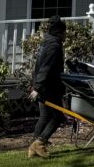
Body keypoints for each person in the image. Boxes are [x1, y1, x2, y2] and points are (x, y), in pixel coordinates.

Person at [28, 15, 66, 159]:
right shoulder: (54, 46)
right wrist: (37, 87)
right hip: (49, 87)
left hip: (42, 86)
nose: (66, 35)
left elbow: (38, 67)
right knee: (58, 117)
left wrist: (36, 85)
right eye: (64, 32)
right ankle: (40, 142)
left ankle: (33, 148)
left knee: (44, 116)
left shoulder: (46, 43)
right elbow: (46, 68)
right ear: (59, 32)